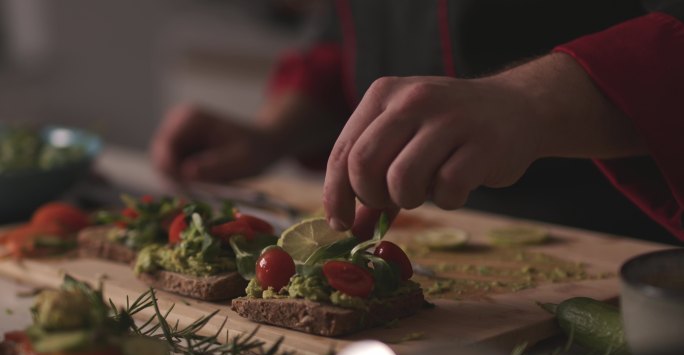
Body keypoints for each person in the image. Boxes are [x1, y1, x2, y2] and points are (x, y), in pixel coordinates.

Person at [151, 0, 684, 244]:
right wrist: (271, 132)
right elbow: (354, 31)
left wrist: (528, 100)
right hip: (446, 242)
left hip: (621, 243)